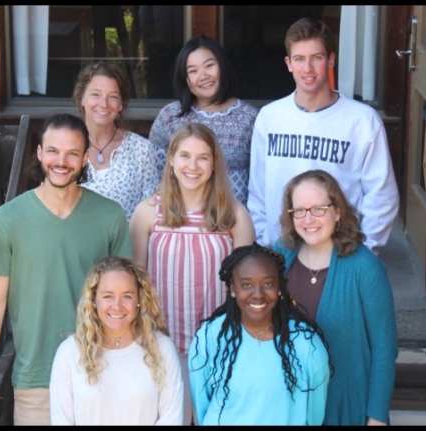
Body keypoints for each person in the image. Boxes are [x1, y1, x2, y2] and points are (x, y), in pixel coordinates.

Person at [0, 113, 133, 425]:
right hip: (36, 380)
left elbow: (127, 300)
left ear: (85, 158)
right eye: (53, 151)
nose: (60, 161)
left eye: (72, 153)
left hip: (101, 375)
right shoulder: (8, 219)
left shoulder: (110, 216)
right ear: (38, 152)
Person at [131, 122, 255, 424]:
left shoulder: (233, 216)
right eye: (184, 155)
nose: (192, 165)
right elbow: (135, 284)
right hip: (163, 345)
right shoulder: (148, 213)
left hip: (218, 346)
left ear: (214, 164)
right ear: (171, 160)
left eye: (202, 157)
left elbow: (247, 290)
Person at [249, 17, 399, 252]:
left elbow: (382, 195)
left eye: (316, 58)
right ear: (288, 63)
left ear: (331, 59)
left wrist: (364, 251)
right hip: (281, 252)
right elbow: (257, 189)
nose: (307, 69)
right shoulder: (270, 118)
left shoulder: (362, 121)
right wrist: (263, 241)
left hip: (340, 253)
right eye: (299, 59)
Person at [273, 169, 398, 425]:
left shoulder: (365, 268)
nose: (309, 219)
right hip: (288, 405)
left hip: (343, 404)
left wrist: (376, 416)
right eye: (299, 210)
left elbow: (385, 348)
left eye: (319, 209)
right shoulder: (280, 256)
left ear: (337, 211)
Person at [189, 244, 330, 425]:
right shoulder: (209, 337)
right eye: (246, 284)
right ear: (233, 288)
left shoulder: (307, 345)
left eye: (268, 284)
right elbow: (202, 408)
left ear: (280, 287)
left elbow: (314, 415)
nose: (258, 294)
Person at [49, 257, 182, 425]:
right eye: (108, 296)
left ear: (139, 300)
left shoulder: (162, 349)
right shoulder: (69, 352)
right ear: (94, 300)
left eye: (126, 296)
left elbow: (171, 419)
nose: (117, 305)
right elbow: (62, 420)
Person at [149, 35, 259, 205]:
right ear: (184, 79)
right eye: (193, 71)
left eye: (209, 66)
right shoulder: (169, 117)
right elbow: (154, 178)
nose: (203, 76)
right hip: (180, 223)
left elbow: (261, 183)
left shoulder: (251, 119)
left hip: (233, 223)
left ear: (222, 67)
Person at [74, 61, 163, 222]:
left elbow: (153, 215)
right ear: (81, 98)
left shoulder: (141, 150)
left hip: (127, 246)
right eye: (95, 94)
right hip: (74, 245)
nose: (104, 104)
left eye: (113, 97)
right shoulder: (65, 147)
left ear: (121, 104)